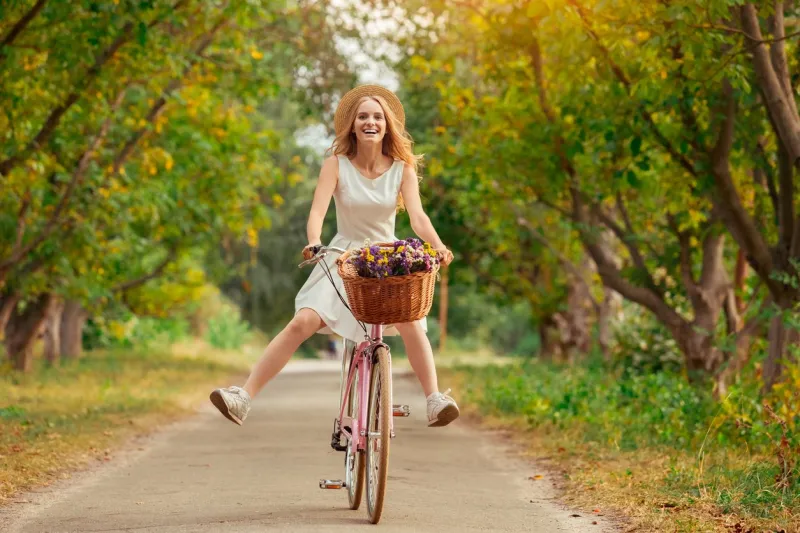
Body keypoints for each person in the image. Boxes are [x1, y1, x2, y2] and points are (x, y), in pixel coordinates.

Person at [209, 84, 459, 428]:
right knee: (303, 322)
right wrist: (315, 241)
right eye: (363, 117)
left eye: (377, 116)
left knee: (413, 322)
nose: (370, 121)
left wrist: (438, 246)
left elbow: (418, 217)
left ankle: (434, 400)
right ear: (353, 126)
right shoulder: (336, 165)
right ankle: (243, 397)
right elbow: (317, 213)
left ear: (387, 125)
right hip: (344, 256)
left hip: (386, 257)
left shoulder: (402, 169)